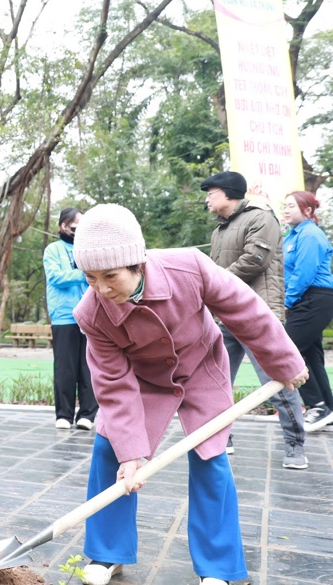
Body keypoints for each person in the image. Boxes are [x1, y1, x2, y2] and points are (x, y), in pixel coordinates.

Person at [70, 204, 307, 585]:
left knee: (211, 456)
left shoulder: (188, 268)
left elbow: (245, 310)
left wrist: (284, 362)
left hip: (200, 367)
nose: (100, 288)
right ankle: (106, 553)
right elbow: (113, 384)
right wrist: (131, 452)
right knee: (110, 449)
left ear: (136, 263)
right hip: (143, 380)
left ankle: (218, 568)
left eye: (110, 276)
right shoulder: (91, 313)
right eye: (90, 277)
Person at [201, 171, 307, 469]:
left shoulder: (262, 217)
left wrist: (214, 286)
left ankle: (295, 446)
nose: (207, 198)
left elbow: (254, 260)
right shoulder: (219, 230)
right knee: (215, 381)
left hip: (259, 315)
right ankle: (221, 439)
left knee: (278, 380)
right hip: (225, 316)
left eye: (211, 191)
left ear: (228, 192)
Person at [281, 190, 333, 432]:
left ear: (308, 211)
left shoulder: (310, 234)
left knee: (285, 350)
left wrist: (288, 302)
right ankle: (327, 409)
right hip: (307, 298)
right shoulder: (292, 235)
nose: (286, 209)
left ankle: (316, 405)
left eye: (291, 205)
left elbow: (304, 273)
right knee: (312, 357)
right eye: (285, 205)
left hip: (314, 298)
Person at [42, 207, 97, 430]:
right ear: (63, 226)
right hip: (64, 315)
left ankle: (87, 415)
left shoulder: (88, 250)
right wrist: (83, 274)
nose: (79, 229)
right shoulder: (53, 250)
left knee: (89, 367)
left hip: (90, 316)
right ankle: (63, 415)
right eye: (76, 225)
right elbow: (55, 277)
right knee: (65, 368)